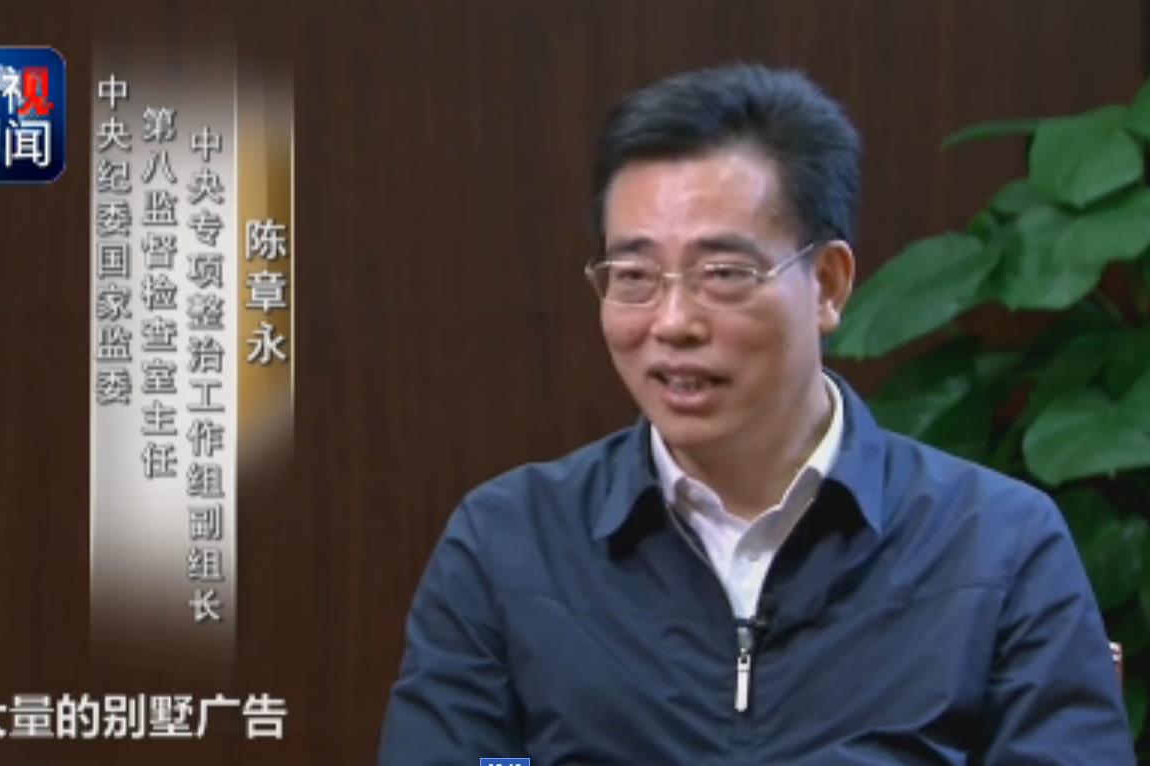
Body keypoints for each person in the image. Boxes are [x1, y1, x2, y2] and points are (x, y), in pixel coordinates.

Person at [378, 63, 1135, 765]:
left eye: (722, 273)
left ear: (828, 284)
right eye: (634, 275)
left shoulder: (997, 546)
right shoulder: (508, 545)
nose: (672, 321)